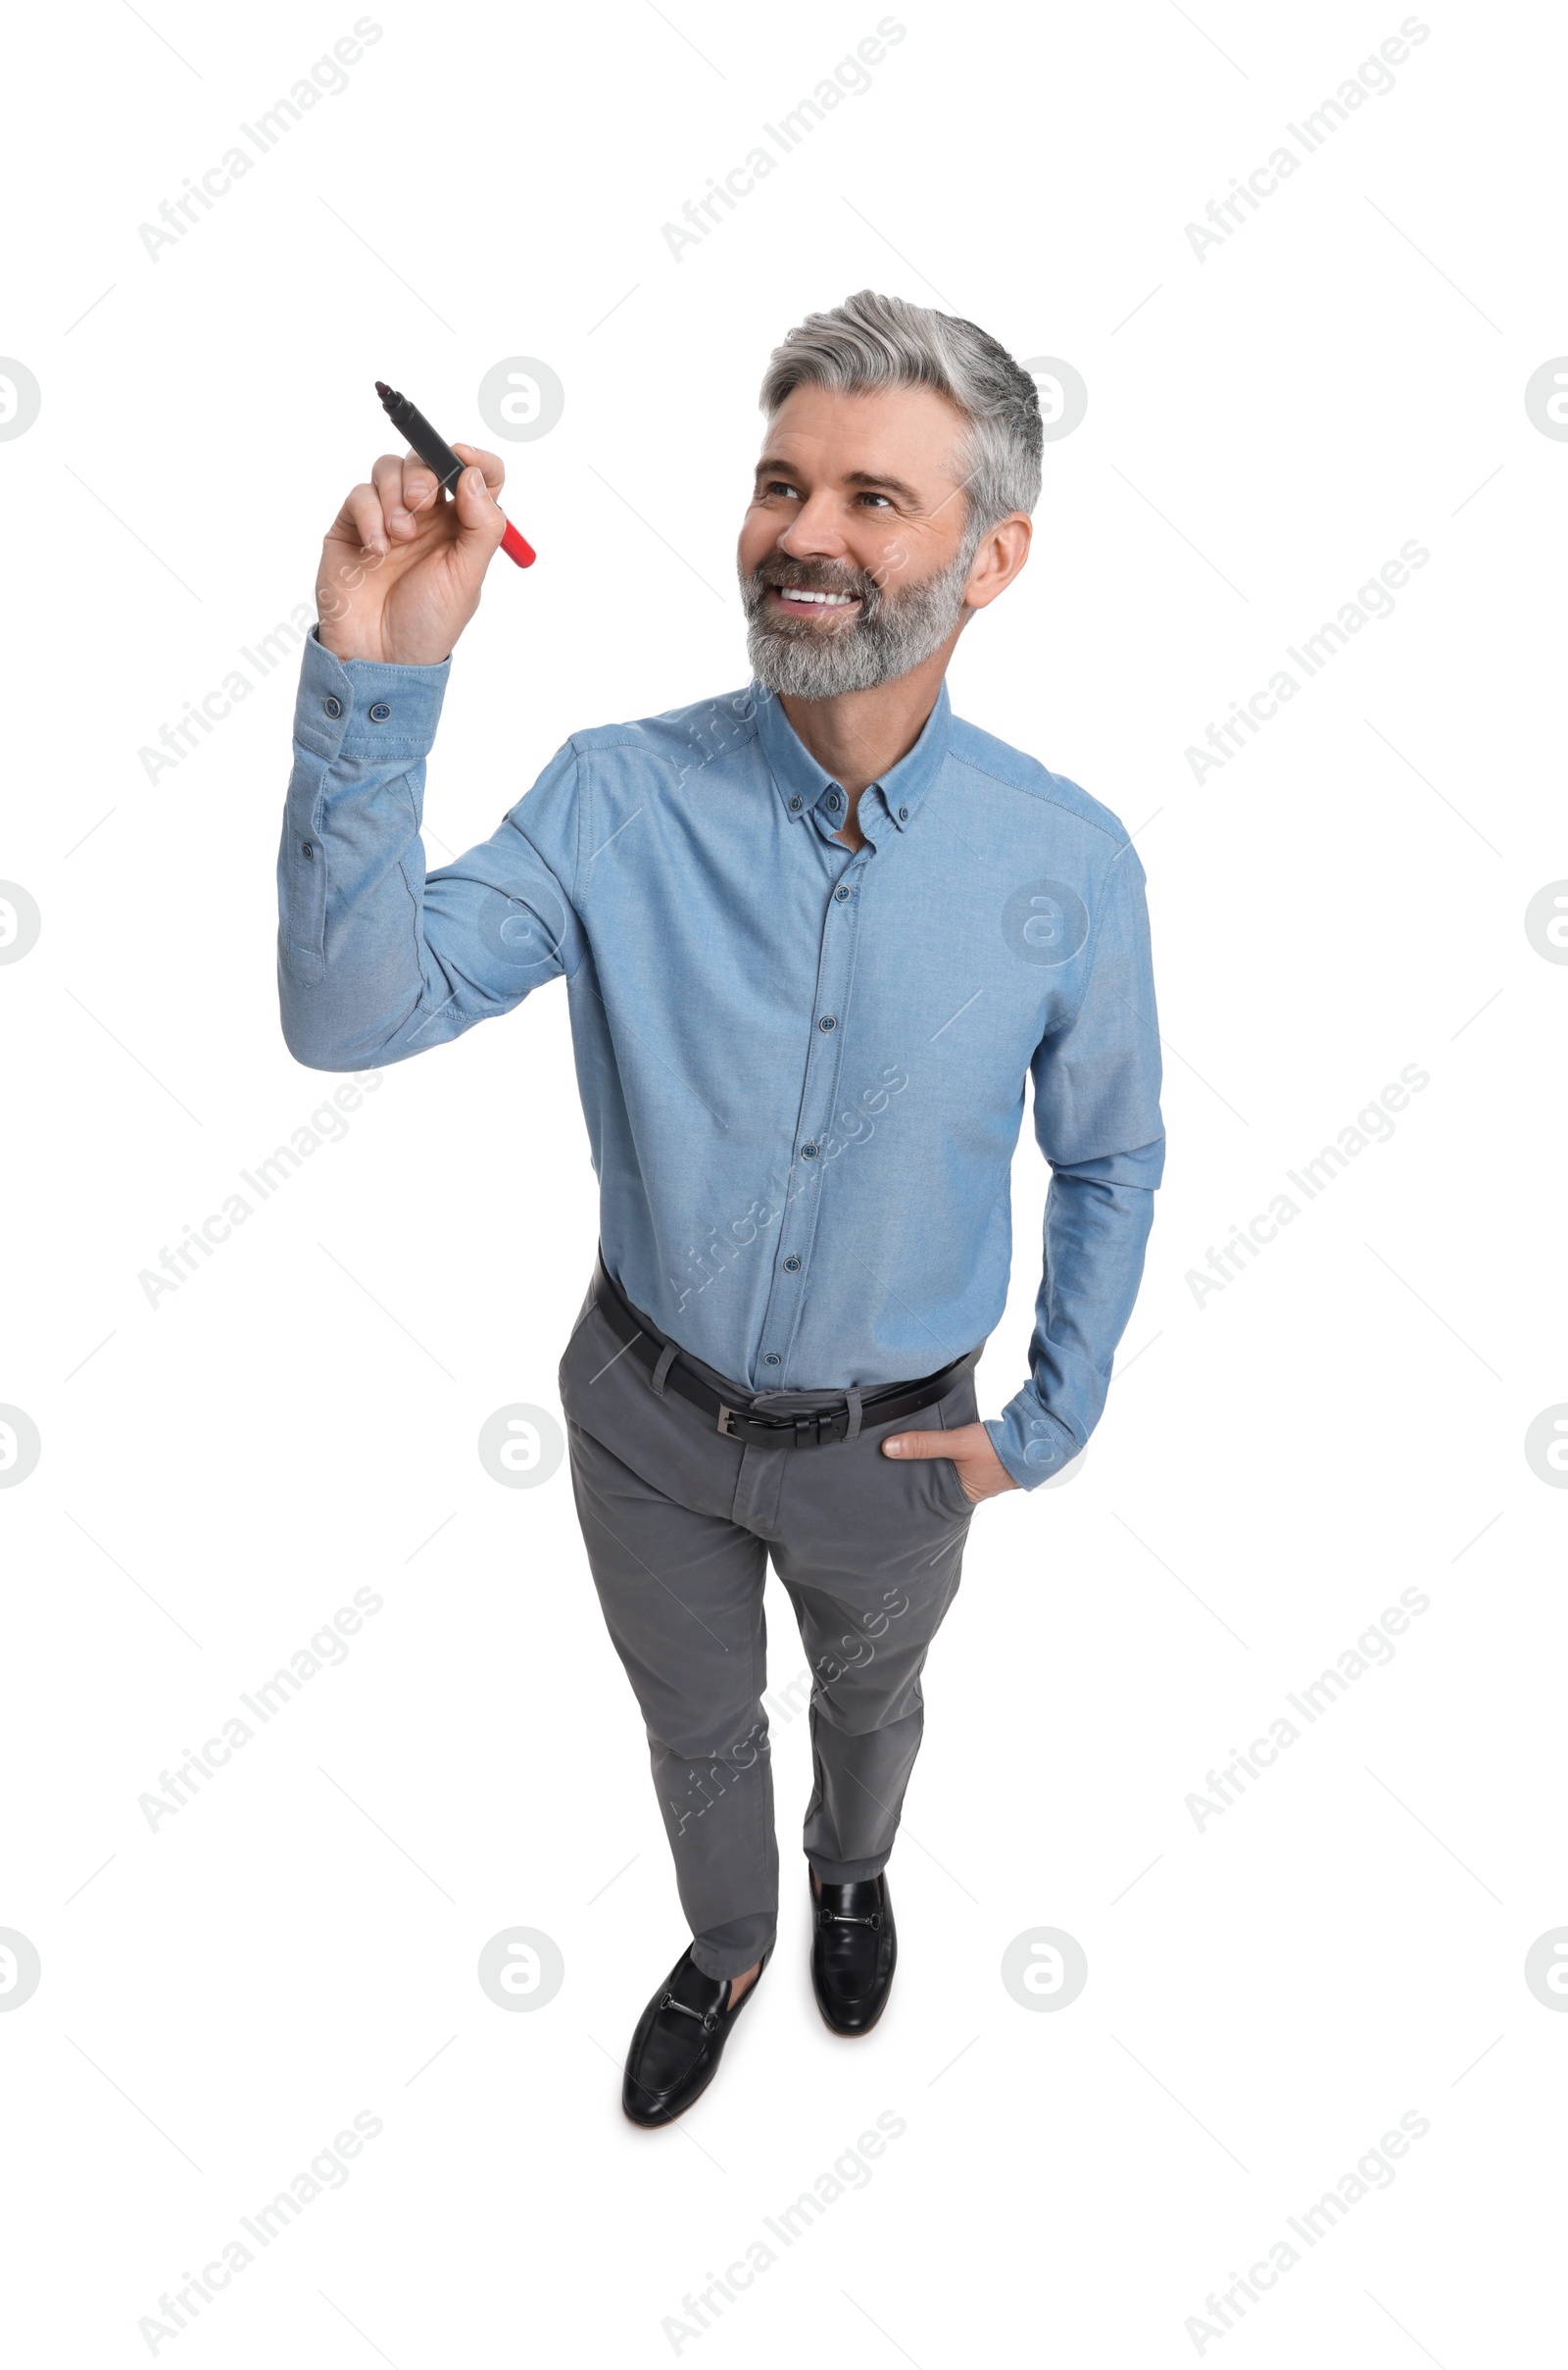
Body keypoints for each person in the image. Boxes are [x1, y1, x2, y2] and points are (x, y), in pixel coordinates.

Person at [276, 289, 1164, 2126]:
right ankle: (731, 1939)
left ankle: (853, 1871)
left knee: (866, 1711)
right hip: (642, 1424)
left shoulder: (1066, 862)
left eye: (872, 497)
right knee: (693, 1737)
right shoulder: (619, 796)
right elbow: (350, 1012)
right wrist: (379, 669)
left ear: (994, 557)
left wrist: (1045, 1421)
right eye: (778, 484)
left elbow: (1109, 1154)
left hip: (898, 1453)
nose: (805, 536)